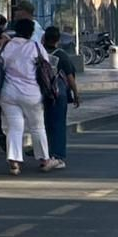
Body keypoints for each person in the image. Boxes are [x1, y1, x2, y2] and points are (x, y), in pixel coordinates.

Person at [0, 17, 54, 175]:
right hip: (31, 93)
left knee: (14, 128)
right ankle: (44, 159)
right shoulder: (36, 47)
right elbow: (47, 65)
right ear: (31, 33)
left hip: (8, 92)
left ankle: (14, 162)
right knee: (37, 127)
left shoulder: (7, 46)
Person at [42, 25, 79, 167]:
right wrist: (76, 94)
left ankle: (46, 153)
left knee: (46, 124)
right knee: (58, 124)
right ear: (58, 39)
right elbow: (70, 78)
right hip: (59, 93)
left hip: (43, 93)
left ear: (44, 38)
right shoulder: (61, 55)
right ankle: (58, 156)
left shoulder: (40, 52)